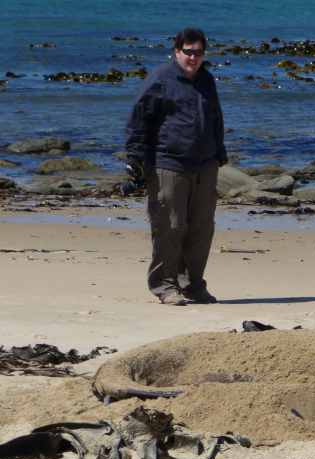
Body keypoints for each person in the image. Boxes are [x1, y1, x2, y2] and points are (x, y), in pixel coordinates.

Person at [124, 27, 227, 306]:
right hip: (168, 163)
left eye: (199, 52)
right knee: (170, 226)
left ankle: (192, 285)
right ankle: (164, 285)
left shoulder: (206, 79)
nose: (194, 58)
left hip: (205, 164)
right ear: (177, 52)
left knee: (201, 228)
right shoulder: (160, 79)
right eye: (188, 52)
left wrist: (220, 153)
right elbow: (138, 120)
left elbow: (215, 117)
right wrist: (134, 159)